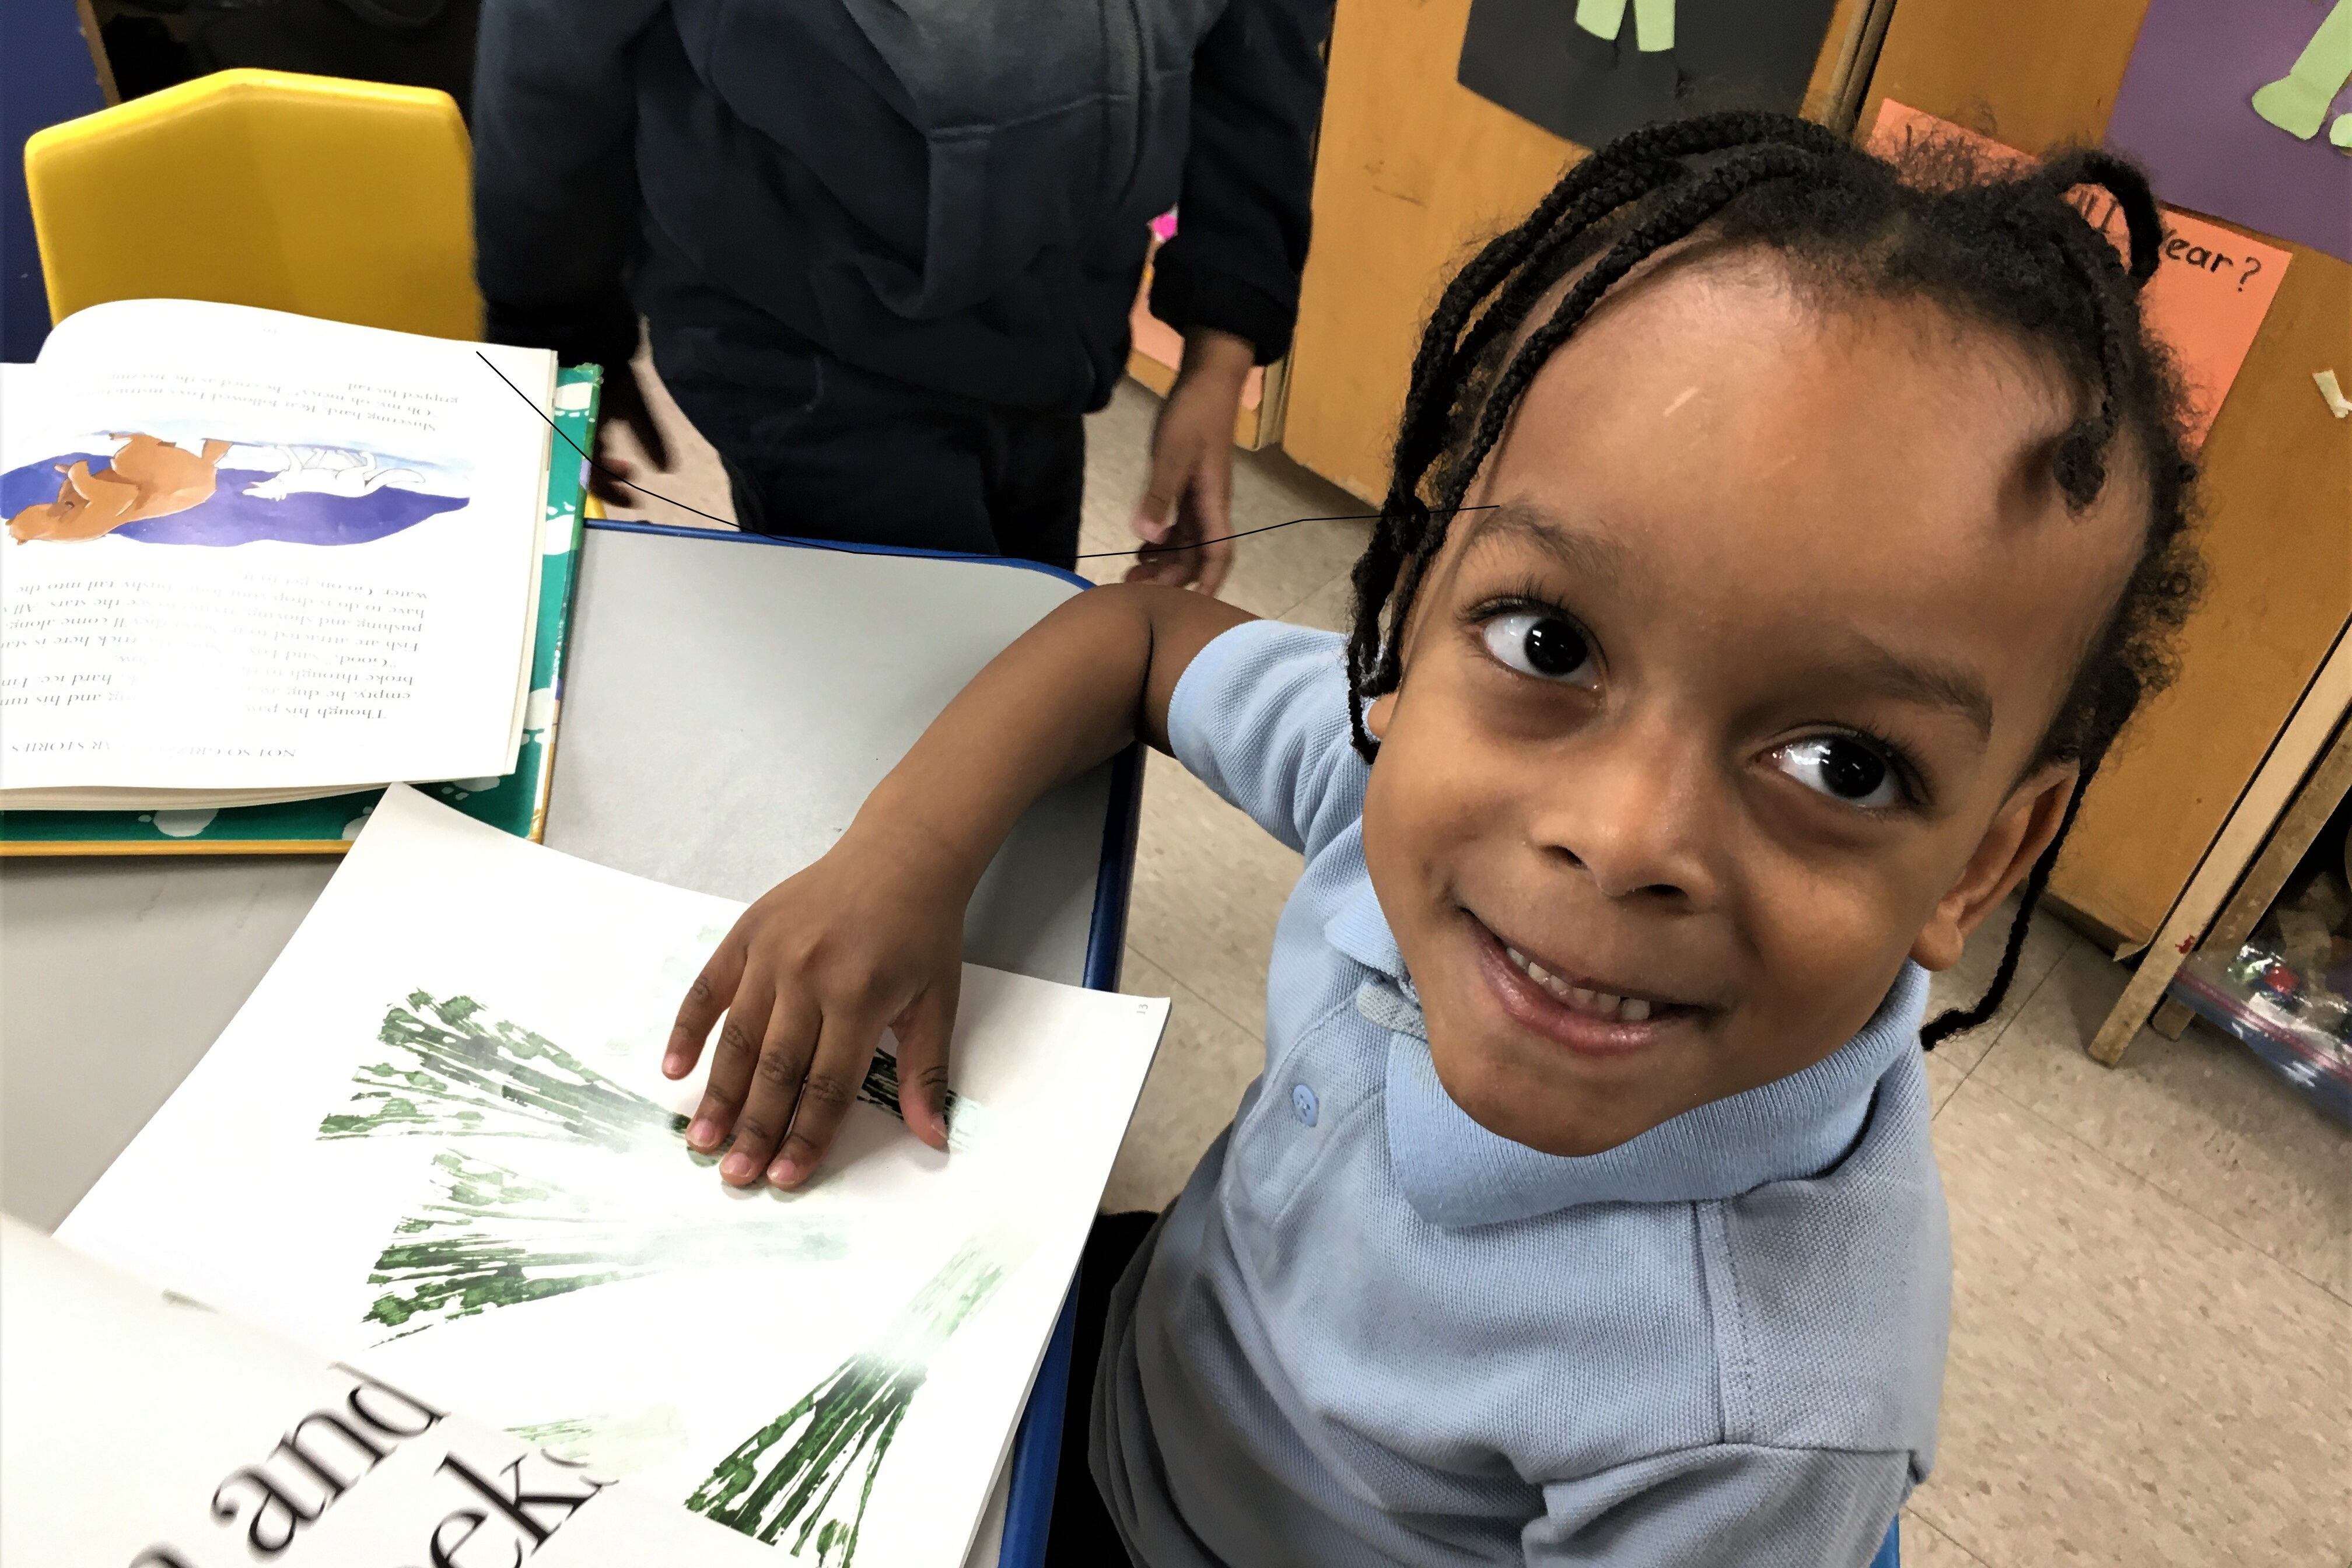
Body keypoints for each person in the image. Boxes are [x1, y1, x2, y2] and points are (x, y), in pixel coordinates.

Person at [660, 113, 2203, 1564]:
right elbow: (1134, 640)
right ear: (1409, 628)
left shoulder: (1758, 1420)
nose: (1617, 838)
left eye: (1842, 763)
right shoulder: (1402, 778)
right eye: (1548, 642)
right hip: (1133, 1356)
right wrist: (896, 864)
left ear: (1988, 863)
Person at [470, 0, 1329, 593]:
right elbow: (548, 59)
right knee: (916, 731)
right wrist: (557, 330)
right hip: (801, 338)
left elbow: (1261, 59)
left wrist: (1222, 353)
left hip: (1052, 336)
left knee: (1019, 649)